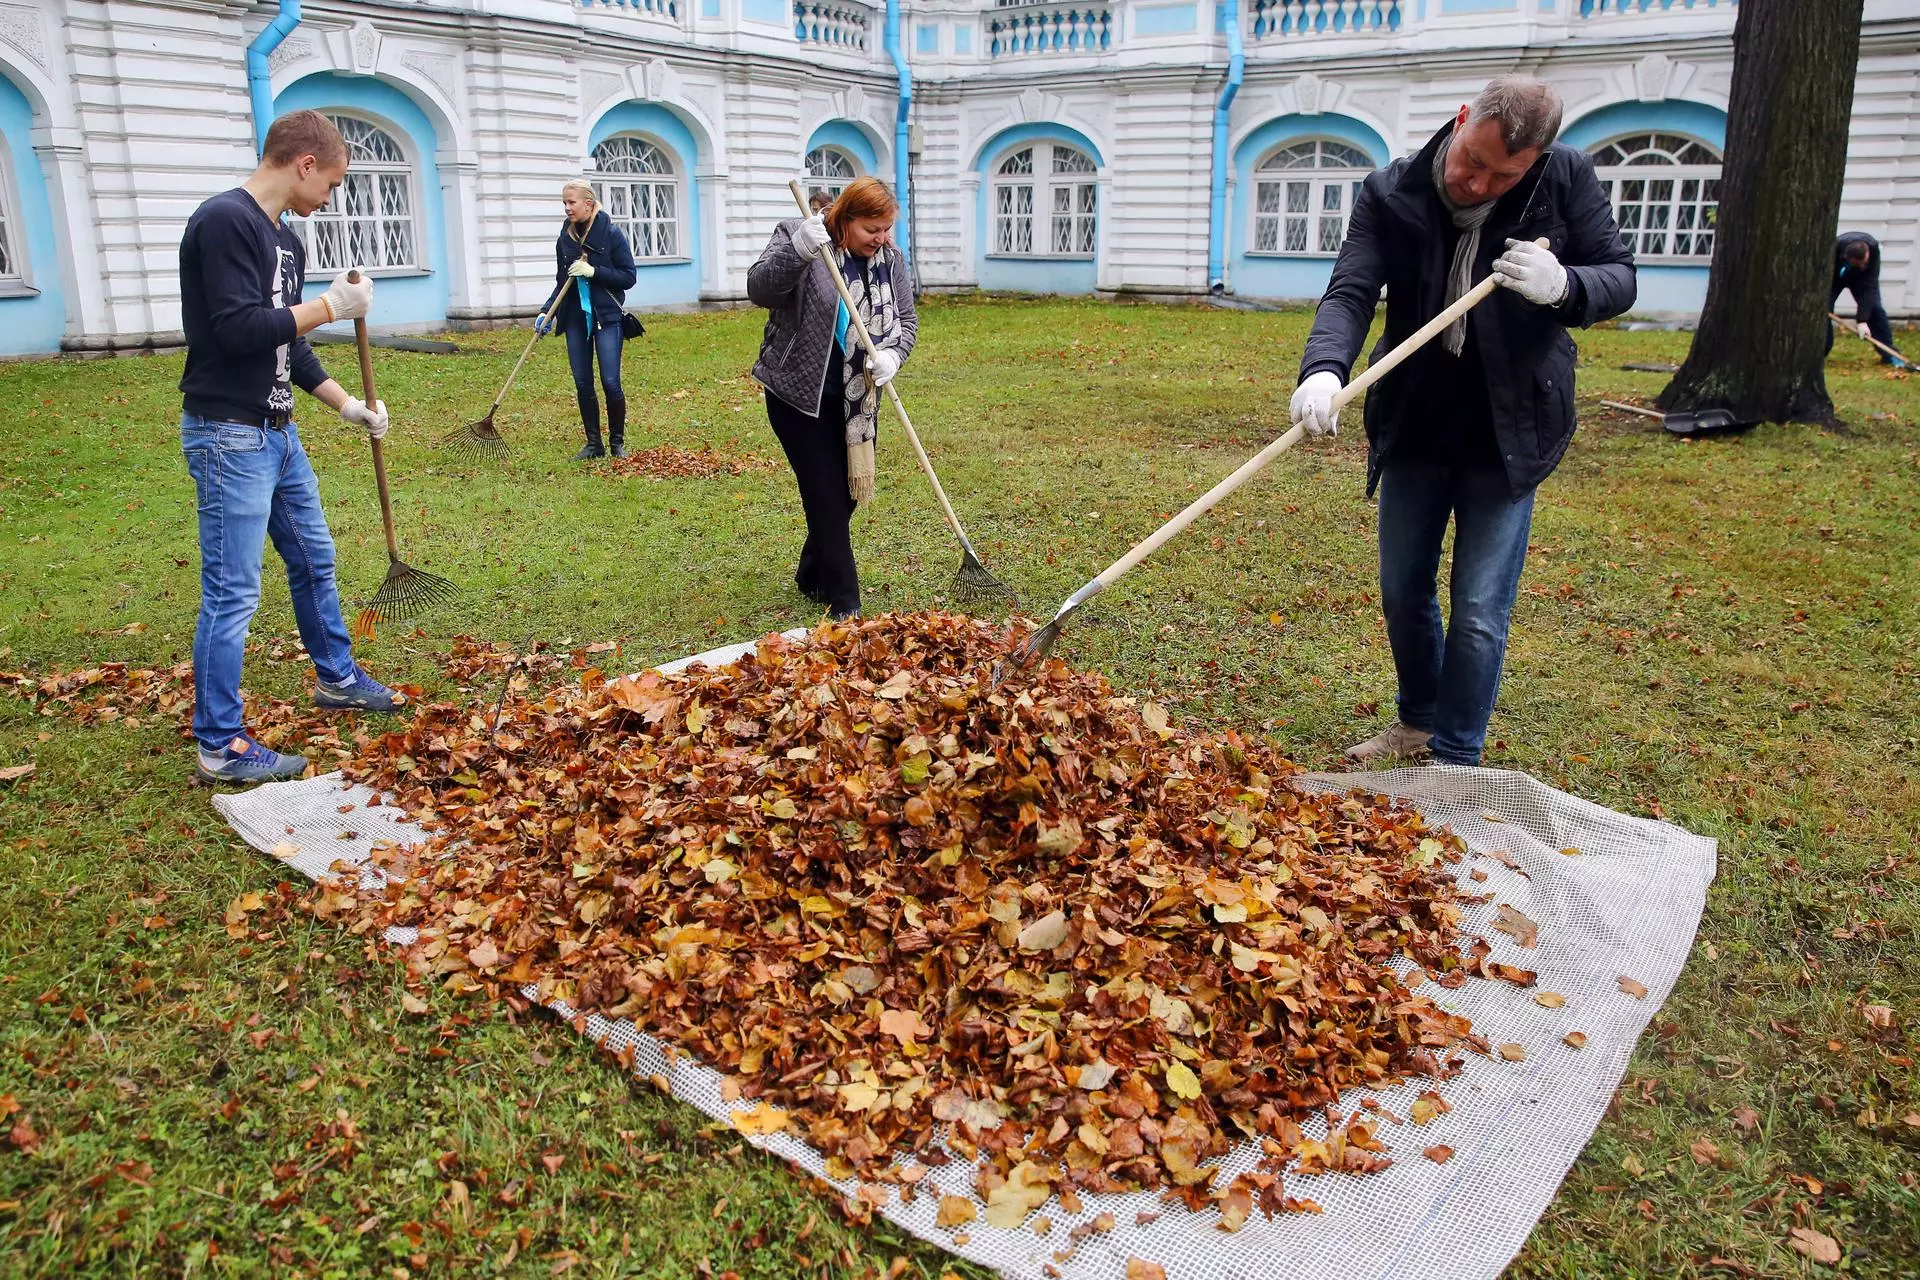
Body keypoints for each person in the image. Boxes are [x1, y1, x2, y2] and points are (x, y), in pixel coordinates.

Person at [1290, 75, 1636, 766]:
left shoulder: (1562, 181)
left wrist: (1564, 285)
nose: (1479, 184)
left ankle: (1455, 758)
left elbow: (1618, 278)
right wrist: (1324, 370)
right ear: (1459, 121)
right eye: (1472, 161)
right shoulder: (1392, 191)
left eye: (1503, 174)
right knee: (1402, 588)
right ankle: (1418, 719)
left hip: (1509, 430)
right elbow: (1352, 289)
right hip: (1417, 416)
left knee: (1480, 611)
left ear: (1534, 160)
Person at [177, 109, 407, 785]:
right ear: (304, 164)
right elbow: (239, 329)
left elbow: (288, 342)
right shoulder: (224, 221)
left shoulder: (285, 242)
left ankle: (336, 677)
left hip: (278, 434)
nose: (329, 199)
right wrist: (333, 308)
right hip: (228, 434)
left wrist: (349, 406)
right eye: (331, 184)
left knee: (314, 558)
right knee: (232, 592)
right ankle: (219, 743)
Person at [747, 176, 917, 621]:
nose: (880, 240)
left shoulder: (891, 259)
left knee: (844, 496)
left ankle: (810, 572)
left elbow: (907, 321)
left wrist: (893, 357)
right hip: (798, 392)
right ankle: (846, 602)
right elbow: (760, 290)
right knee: (823, 492)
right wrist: (799, 250)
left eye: (886, 230)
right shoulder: (799, 233)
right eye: (870, 230)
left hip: (857, 397)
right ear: (846, 217)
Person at [536, 179, 639, 459]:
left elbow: (629, 277)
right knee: (583, 383)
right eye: (565, 203)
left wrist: (594, 271)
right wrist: (547, 312)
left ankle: (617, 443)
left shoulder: (611, 235)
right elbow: (562, 283)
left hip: (606, 317)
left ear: (589, 204)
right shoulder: (564, 239)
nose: (567, 208)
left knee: (610, 381)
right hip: (575, 319)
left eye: (572, 202)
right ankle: (594, 444)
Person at [1829, 232, 1905, 365]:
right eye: (1859, 264)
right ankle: (1820, 351)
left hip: (1864, 281)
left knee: (1875, 310)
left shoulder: (1873, 249)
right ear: (1847, 258)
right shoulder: (1834, 248)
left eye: (1865, 263)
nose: (1863, 266)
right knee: (1824, 311)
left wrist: (1862, 320)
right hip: (1834, 277)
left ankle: (1889, 354)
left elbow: (1869, 288)